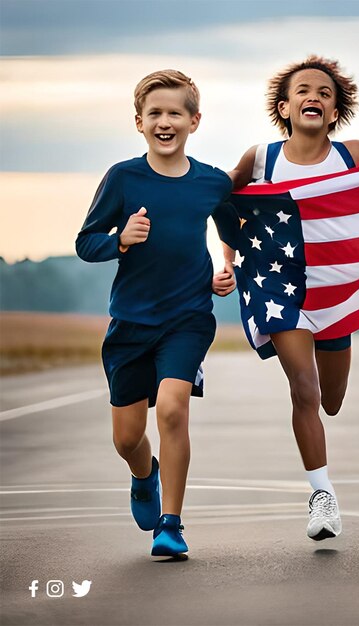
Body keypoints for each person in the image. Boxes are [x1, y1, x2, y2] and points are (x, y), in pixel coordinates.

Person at [76, 70, 235, 558]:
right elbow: (85, 243)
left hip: (188, 318)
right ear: (139, 123)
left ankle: (172, 523)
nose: (165, 122)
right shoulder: (123, 178)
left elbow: (233, 228)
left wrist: (226, 269)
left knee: (172, 409)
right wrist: (120, 240)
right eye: (155, 114)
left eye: (174, 113)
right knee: (128, 439)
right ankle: (144, 475)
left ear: (195, 121)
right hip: (129, 323)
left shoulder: (212, 182)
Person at [225, 56, 359, 540]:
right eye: (304, 90)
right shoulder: (261, 158)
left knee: (331, 400)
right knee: (305, 389)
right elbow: (220, 201)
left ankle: (322, 480)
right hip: (278, 286)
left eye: (325, 93)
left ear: (334, 112)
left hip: (336, 290)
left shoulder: (355, 153)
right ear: (285, 106)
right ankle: (322, 495)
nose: (314, 96)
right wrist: (225, 259)